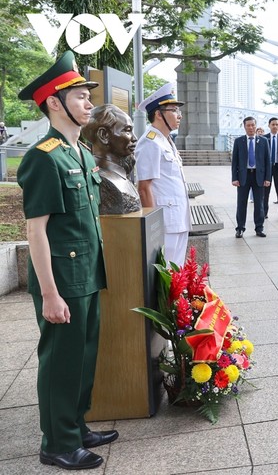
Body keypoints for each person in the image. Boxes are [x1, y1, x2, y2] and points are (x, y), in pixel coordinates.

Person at [16, 50, 116, 470]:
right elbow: (35, 230)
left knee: (84, 353)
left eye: (87, 95)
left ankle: (75, 425)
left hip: (87, 272)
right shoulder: (44, 156)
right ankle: (56, 443)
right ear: (54, 103)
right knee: (60, 360)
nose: (89, 102)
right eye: (79, 96)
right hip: (62, 280)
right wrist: (50, 294)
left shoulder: (79, 153)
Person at [136, 83, 192, 266]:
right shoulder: (150, 142)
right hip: (165, 223)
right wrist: (153, 228)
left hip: (178, 218)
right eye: (174, 110)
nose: (179, 115)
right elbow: (144, 188)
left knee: (176, 274)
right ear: (159, 114)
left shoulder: (166, 140)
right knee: (166, 274)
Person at [82, 104, 141, 215]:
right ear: (104, 135)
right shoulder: (101, 179)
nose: (134, 138)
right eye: (127, 131)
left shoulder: (119, 174)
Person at [232, 116, 271, 238]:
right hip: (244, 176)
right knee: (241, 203)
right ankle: (240, 228)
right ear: (244, 127)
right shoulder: (239, 141)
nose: (251, 127)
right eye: (248, 125)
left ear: (256, 126)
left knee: (259, 204)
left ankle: (259, 228)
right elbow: (235, 161)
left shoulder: (264, 141)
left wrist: (268, 178)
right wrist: (234, 178)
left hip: (258, 176)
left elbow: (267, 161)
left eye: (253, 125)